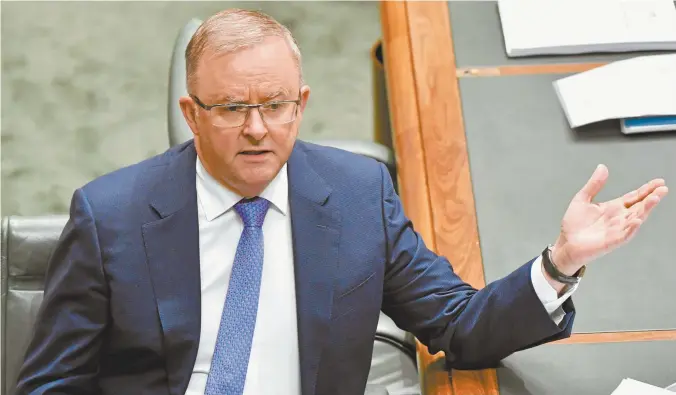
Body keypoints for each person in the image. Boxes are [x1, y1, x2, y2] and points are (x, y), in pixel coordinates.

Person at [14, 8, 668, 395]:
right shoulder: (111, 217)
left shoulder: (357, 197)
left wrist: (559, 263)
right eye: (233, 108)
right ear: (191, 111)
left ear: (301, 103)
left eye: (275, 105)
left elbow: (460, 328)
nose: (257, 128)